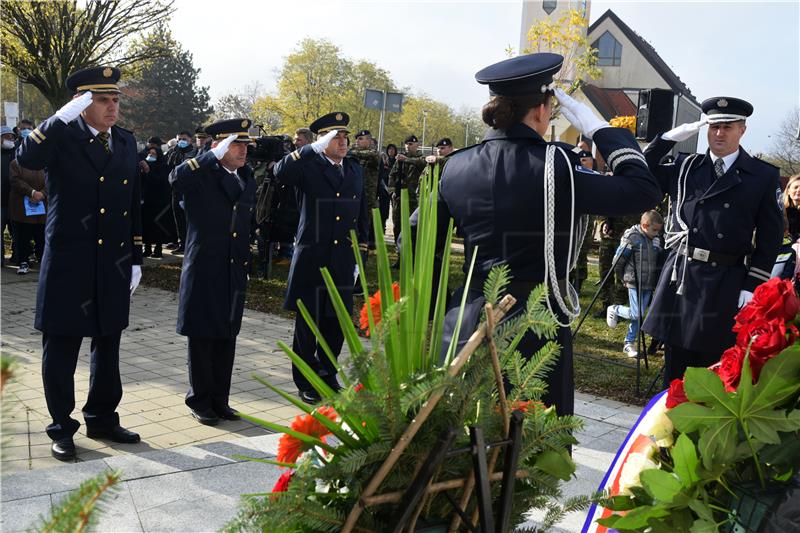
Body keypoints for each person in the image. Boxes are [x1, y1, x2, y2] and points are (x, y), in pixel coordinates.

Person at [418, 53, 661, 416]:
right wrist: (601, 131)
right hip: (535, 325)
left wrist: (440, 306)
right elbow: (644, 191)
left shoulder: (455, 166)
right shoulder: (557, 166)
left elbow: (417, 242)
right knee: (530, 452)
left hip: (466, 320)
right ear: (542, 111)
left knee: (460, 440)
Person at [15, 66, 143, 460]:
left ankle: (103, 417)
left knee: (108, 342)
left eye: (115, 99)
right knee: (62, 345)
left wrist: (136, 256)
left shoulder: (124, 142)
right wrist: (56, 120)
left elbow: (132, 203)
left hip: (111, 262)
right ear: (81, 104)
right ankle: (61, 427)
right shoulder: (61, 137)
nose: (112, 107)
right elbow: (26, 157)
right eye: (102, 100)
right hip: (70, 261)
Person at [641, 97, 783, 388]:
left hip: (726, 283)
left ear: (742, 130)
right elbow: (642, 169)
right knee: (676, 375)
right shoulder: (686, 167)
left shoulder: (762, 176)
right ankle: (667, 429)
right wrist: (667, 139)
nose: (719, 133)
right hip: (684, 279)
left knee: (715, 373)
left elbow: (770, 237)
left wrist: (752, 285)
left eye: (727, 127)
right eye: (714, 126)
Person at [273, 112, 370, 404]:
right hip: (313, 258)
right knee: (309, 325)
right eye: (335, 138)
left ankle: (328, 374)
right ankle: (305, 379)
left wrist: (360, 254)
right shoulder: (308, 167)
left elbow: (361, 213)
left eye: (344, 137)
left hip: (342, 258)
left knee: (335, 323)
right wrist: (309, 149)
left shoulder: (354, 169)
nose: (342, 143)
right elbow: (280, 172)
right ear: (321, 141)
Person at [169, 119, 257, 425]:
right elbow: (175, 179)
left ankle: (221, 399)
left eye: (246, 145)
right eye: (237, 144)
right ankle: (200, 399)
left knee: (227, 335)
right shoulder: (202, 173)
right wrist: (208, 155)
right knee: (203, 336)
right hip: (205, 266)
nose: (244, 150)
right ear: (220, 145)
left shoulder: (246, 176)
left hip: (233, 267)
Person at [606, 210, 664, 357]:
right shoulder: (632, 237)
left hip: (648, 284)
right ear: (645, 225)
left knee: (639, 316)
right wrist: (622, 277)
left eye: (659, 230)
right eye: (654, 230)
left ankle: (629, 343)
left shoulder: (655, 239)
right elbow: (618, 259)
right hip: (633, 281)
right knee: (636, 313)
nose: (657, 233)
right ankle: (614, 309)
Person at [388, 135, 426, 257]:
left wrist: (406, 160)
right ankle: (400, 255)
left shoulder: (421, 157)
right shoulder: (400, 159)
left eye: (411, 144)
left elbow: (422, 164)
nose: (408, 146)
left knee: (412, 227)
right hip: (399, 198)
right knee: (397, 225)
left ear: (417, 145)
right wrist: (392, 191)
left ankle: (412, 254)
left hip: (413, 199)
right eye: (406, 144)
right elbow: (392, 175)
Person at [8, 157, 47, 274]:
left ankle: (43, 262)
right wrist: (32, 192)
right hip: (21, 209)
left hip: (42, 208)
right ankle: (23, 261)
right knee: (23, 236)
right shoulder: (16, 163)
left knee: (42, 236)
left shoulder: (46, 163)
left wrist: (43, 194)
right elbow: (15, 181)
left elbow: (52, 180)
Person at [139, 140, 172, 258]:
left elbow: (161, 181)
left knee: (158, 225)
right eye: (149, 154)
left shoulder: (163, 166)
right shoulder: (145, 165)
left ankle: (158, 249)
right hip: (147, 200)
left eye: (154, 154)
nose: (150, 156)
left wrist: (148, 171)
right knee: (147, 225)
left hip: (160, 201)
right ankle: (147, 248)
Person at [166, 130, 197, 254]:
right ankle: (182, 243)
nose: (181, 142)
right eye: (179, 140)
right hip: (176, 190)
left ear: (190, 140)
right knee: (178, 218)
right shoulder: (175, 152)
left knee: (188, 220)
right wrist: (174, 152)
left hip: (188, 191)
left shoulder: (193, 152)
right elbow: (168, 165)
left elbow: (187, 169)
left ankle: (190, 245)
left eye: (184, 139)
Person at [1, 126, 16, 266]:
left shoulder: (18, 154)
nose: (10, 140)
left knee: (16, 231)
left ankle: (17, 257)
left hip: (15, 201)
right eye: (6, 137)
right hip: (1, 202)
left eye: (11, 137)